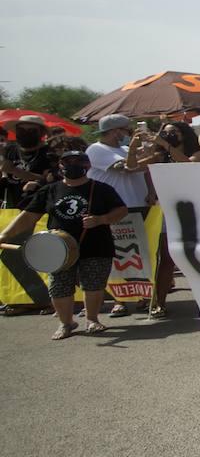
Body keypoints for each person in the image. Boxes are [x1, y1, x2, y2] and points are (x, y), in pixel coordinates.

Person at [0, 145, 126, 339]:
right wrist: (4, 236)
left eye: (78, 162)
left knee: (93, 285)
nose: (73, 166)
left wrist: (101, 220)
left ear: (87, 165)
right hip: (58, 248)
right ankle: (66, 323)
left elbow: (120, 211)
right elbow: (28, 216)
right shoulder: (50, 190)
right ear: (60, 166)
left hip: (96, 244)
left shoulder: (101, 189)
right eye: (68, 162)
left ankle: (92, 320)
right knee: (59, 287)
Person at [86, 114, 155, 318]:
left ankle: (142, 295)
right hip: (115, 209)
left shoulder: (123, 149)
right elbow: (127, 168)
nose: (130, 133)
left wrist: (151, 190)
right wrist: (142, 153)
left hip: (138, 206)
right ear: (116, 131)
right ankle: (120, 300)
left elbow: (145, 169)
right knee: (118, 257)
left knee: (139, 255)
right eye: (127, 130)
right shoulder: (96, 150)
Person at [140, 120, 200, 319]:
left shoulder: (198, 152)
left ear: (184, 134)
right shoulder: (160, 156)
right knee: (166, 259)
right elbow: (131, 166)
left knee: (199, 257)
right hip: (167, 212)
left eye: (174, 132)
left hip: (194, 210)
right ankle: (159, 302)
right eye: (165, 133)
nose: (169, 136)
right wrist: (137, 145)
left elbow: (189, 164)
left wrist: (167, 145)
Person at [1, 115, 56, 208]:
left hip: (37, 207)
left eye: (32, 131)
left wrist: (15, 170)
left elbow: (48, 180)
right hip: (11, 206)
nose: (25, 134)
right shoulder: (9, 150)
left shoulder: (50, 153)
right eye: (21, 130)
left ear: (41, 133)